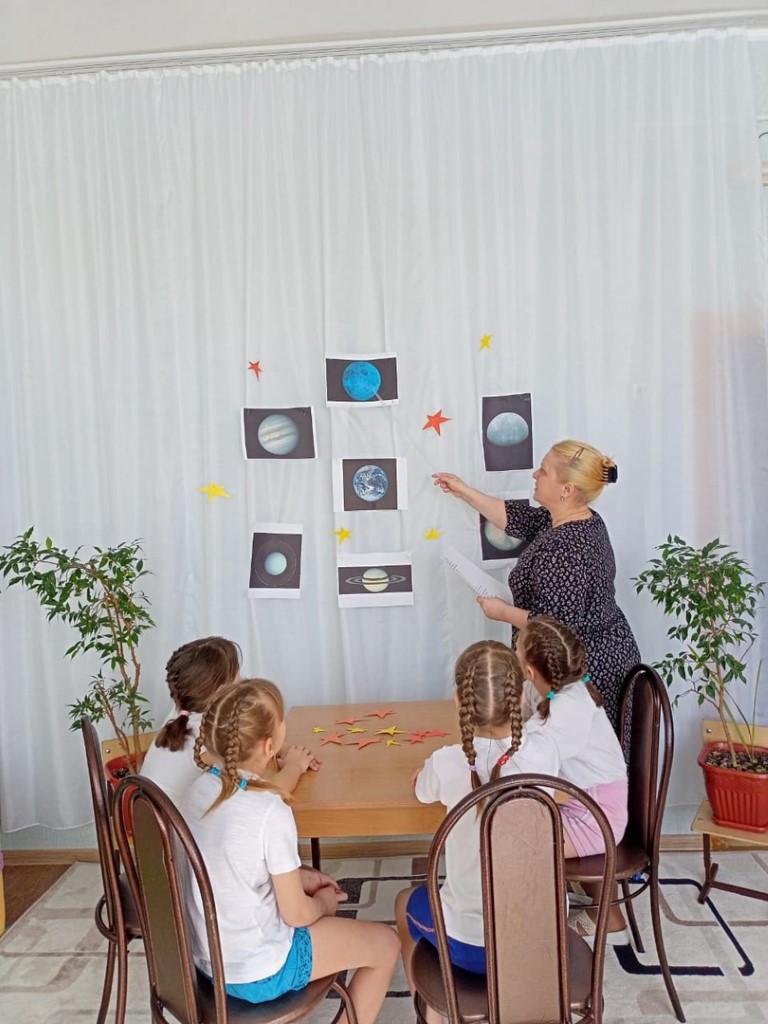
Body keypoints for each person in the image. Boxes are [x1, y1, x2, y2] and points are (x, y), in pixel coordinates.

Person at [182, 678, 400, 1023]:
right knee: (386, 944)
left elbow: (232, 866)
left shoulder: (196, 791)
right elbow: (297, 915)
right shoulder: (270, 811)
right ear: (270, 746)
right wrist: (324, 903)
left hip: (209, 964)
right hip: (259, 970)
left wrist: (297, 876)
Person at [433, 438, 641, 730]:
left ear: (566, 490)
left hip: (588, 671)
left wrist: (502, 612)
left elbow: (556, 626)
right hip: (601, 656)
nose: (535, 474)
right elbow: (519, 520)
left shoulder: (564, 549)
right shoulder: (579, 519)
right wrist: (463, 491)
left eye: (543, 471)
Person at [394, 640, 560, 993]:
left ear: (459, 701)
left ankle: (432, 1010)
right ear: (520, 699)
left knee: (404, 901)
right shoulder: (545, 753)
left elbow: (422, 792)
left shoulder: (445, 762)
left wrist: (429, 770)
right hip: (537, 940)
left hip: (468, 945)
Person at [517, 614, 629, 941]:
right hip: (583, 803)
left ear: (530, 670)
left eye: (517, 648)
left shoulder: (565, 710)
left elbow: (521, 757)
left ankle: (586, 919)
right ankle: (584, 897)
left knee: (513, 839)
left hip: (596, 817)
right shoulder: (563, 692)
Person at [140, 636, 243, 808]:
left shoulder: (181, 713)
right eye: (237, 671)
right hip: (173, 824)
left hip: (146, 816)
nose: (241, 678)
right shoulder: (207, 734)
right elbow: (251, 770)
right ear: (221, 689)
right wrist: (292, 763)